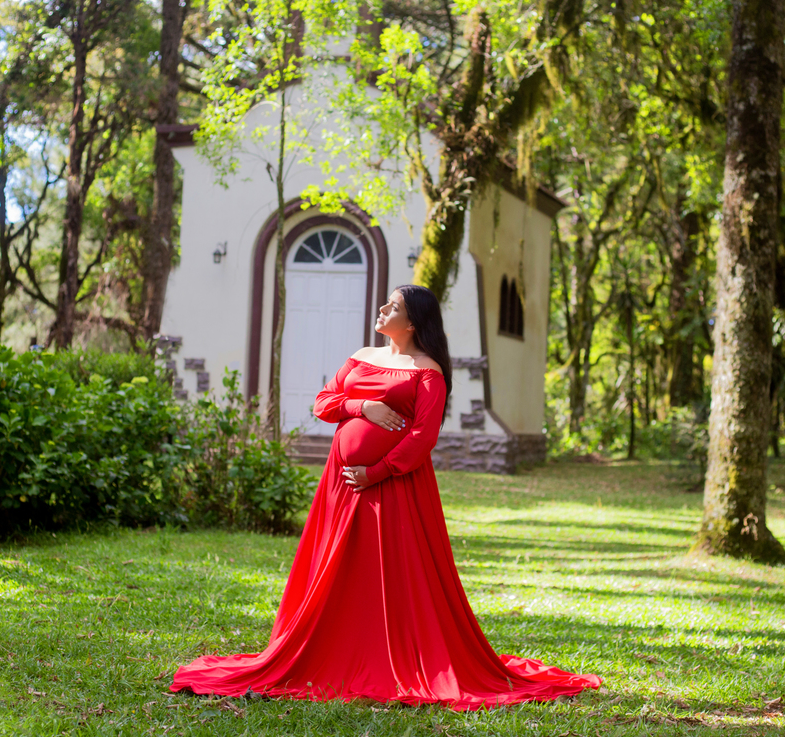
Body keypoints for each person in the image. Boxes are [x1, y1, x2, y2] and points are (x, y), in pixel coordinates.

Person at [170, 285, 600, 709]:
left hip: (392, 488)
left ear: (411, 322)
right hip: (341, 486)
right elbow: (323, 403)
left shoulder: (428, 372)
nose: (380, 309)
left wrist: (377, 472)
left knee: (387, 575)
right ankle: (330, 645)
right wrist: (363, 408)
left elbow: (423, 436)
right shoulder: (361, 357)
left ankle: (382, 653)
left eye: (391, 306)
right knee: (334, 570)